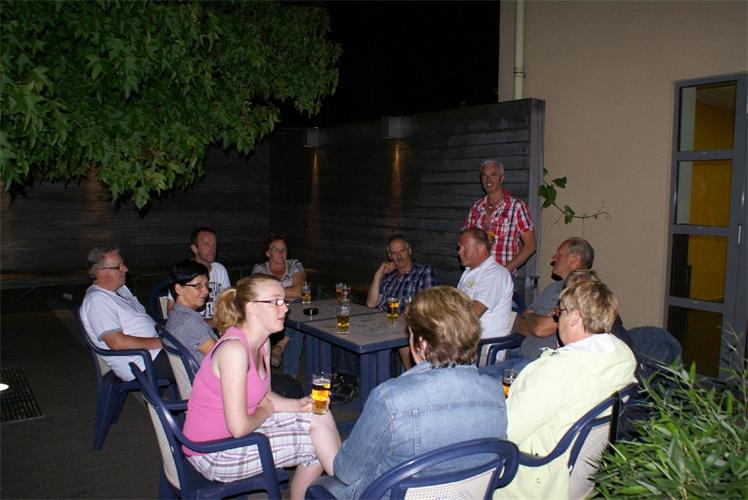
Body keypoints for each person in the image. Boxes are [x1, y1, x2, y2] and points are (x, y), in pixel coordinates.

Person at [317, 286, 508, 499]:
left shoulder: (391, 399)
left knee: (320, 485)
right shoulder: (496, 393)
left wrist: (321, 418)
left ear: (422, 343)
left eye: (410, 333)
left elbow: (347, 472)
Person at [182, 275, 341, 500]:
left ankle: (343, 481)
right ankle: (346, 485)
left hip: (235, 434)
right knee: (316, 443)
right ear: (251, 308)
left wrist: (300, 404)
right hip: (213, 452)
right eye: (276, 301)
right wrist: (267, 410)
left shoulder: (262, 343)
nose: (285, 308)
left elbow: (264, 397)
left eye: (284, 301)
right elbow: (240, 427)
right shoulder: (234, 351)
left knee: (319, 413)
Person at [499, 280, 637, 499]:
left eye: (560, 312)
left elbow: (505, 432)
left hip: (532, 478)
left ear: (575, 317)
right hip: (583, 476)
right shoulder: (623, 357)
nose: (557, 318)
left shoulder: (559, 371)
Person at [80, 244, 172, 382]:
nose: (125, 269)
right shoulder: (97, 300)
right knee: (201, 362)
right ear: (101, 272)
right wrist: (163, 342)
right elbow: (117, 343)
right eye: (119, 266)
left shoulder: (121, 289)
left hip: (155, 352)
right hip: (142, 363)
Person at [365, 234, 437, 369]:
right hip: (380, 327)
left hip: (404, 327)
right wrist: (378, 274)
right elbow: (371, 303)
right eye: (394, 253)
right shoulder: (389, 276)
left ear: (409, 251)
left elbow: (429, 305)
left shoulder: (423, 272)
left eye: (402, 251)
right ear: (390, 256)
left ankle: (409, 373)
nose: (399, 256)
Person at [463, 159, 536, 273]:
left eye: (493, 174)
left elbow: (530, 246)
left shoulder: (516, 207)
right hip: (477, 275)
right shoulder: (476, 207)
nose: (488, 179)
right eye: (484, 175)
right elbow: (466, 241)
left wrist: (503, 272)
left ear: (501, 178)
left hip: (503, 277)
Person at [252, 234, 306, 373]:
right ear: (267, 253)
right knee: (297, 318)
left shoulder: (294, 265)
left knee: (298, 308)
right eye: (276, 249)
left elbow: (299, 291)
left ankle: (280, 346)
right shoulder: (260, 269)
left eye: (284, 249)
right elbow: (262, 295)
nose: (281, 253)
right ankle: (289, 374)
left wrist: (275, 294)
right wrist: (286, 294)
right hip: (270, 311)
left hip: (293, 308)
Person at [456, 228, 514, 343]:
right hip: (465, 340)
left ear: (481, 248)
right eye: (459, 247)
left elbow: (474, 312)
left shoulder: (495, 274)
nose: (459, 252)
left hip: (483, 346)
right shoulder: (469, 271)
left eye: (464, 248)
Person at [167, 227, 231, 323]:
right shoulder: (185, 271)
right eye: (206, 244)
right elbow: (171, 311)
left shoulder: (220, 269)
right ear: (194, 248)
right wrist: (208, 324)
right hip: (191, 324)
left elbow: (228, 303)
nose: (212, 249)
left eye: (214, 244)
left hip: (217, 324)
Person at [165, 259, 217, 363]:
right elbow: (223, 357)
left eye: (206, 285)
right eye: (198, 285)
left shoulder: (176, 315)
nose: (206, 291)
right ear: (179, 289)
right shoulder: (188, 322)